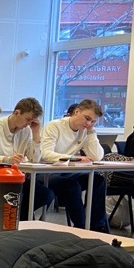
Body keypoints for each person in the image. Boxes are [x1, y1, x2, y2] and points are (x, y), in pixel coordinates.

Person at [0, 97, 51, 218]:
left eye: (32, 122)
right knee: (19, 195)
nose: (28, 124)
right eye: (28, 119)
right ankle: (19, 222)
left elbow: (34, 159)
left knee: (45, 194)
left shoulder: (27, 131)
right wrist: (6, 159)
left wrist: (36, 133)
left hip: (14, 176)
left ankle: (20, 220)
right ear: (17, 113)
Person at [40, 98, 109, 232]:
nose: (88, 123)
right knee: (72, 186)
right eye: (87, 118)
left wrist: (91, 132)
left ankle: (98, 226)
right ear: (76, 112)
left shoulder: (86, 130)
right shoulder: (54, 126)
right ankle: (81, 227)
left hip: (66, 171)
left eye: (93, 121)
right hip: (45, 172)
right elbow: (46, 154)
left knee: (98, 180)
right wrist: (73, 158)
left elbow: (97, 156)